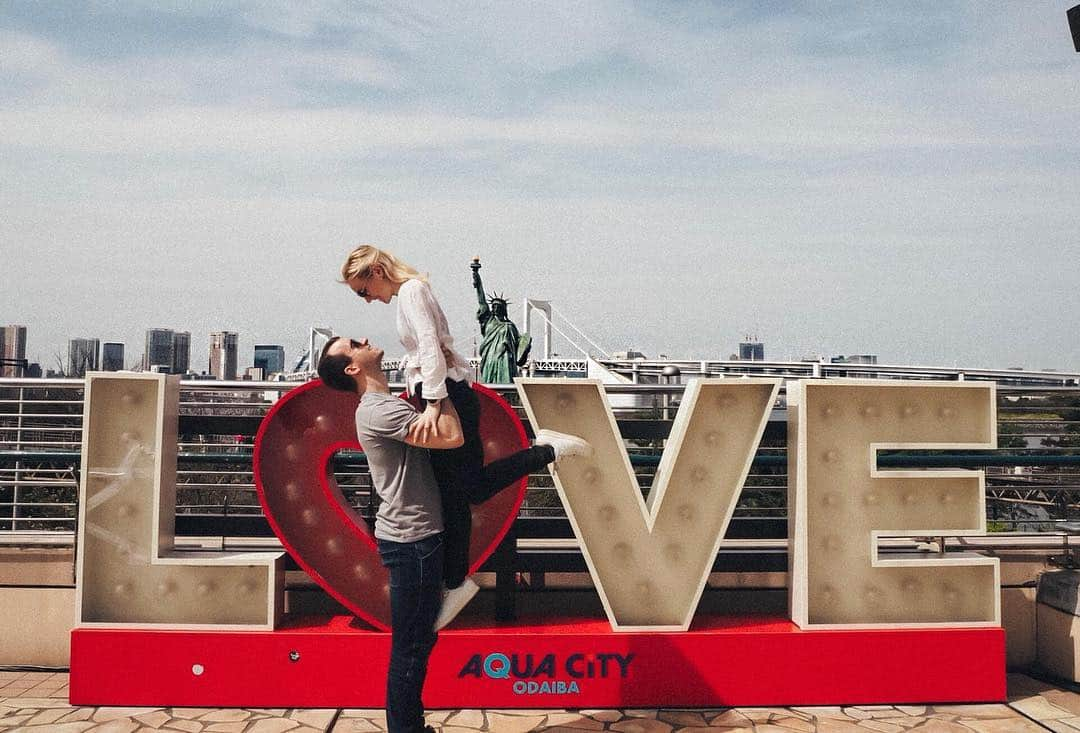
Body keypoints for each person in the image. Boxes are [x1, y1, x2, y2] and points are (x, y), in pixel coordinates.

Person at [339, 245, 592, 629]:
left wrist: (434, 405)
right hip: (441, 393)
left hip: (444, 395)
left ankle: (545, 451)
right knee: (457, 493)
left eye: (363, 289)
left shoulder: (410, 292)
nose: (367, 299)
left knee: (466, 490)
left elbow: (428, 347)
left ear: (376, 270)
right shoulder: (410, 293)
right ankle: (452, 581)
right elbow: (433, 349)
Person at [318, 335, 459, 733]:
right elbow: (451, 435)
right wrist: (437, 384)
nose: (364, 339)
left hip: (415, 537)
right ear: (352, 368)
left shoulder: (388, 402)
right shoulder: (378, 410)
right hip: (412, 541)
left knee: (417, 643)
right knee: (411, 648)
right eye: (353, 343)